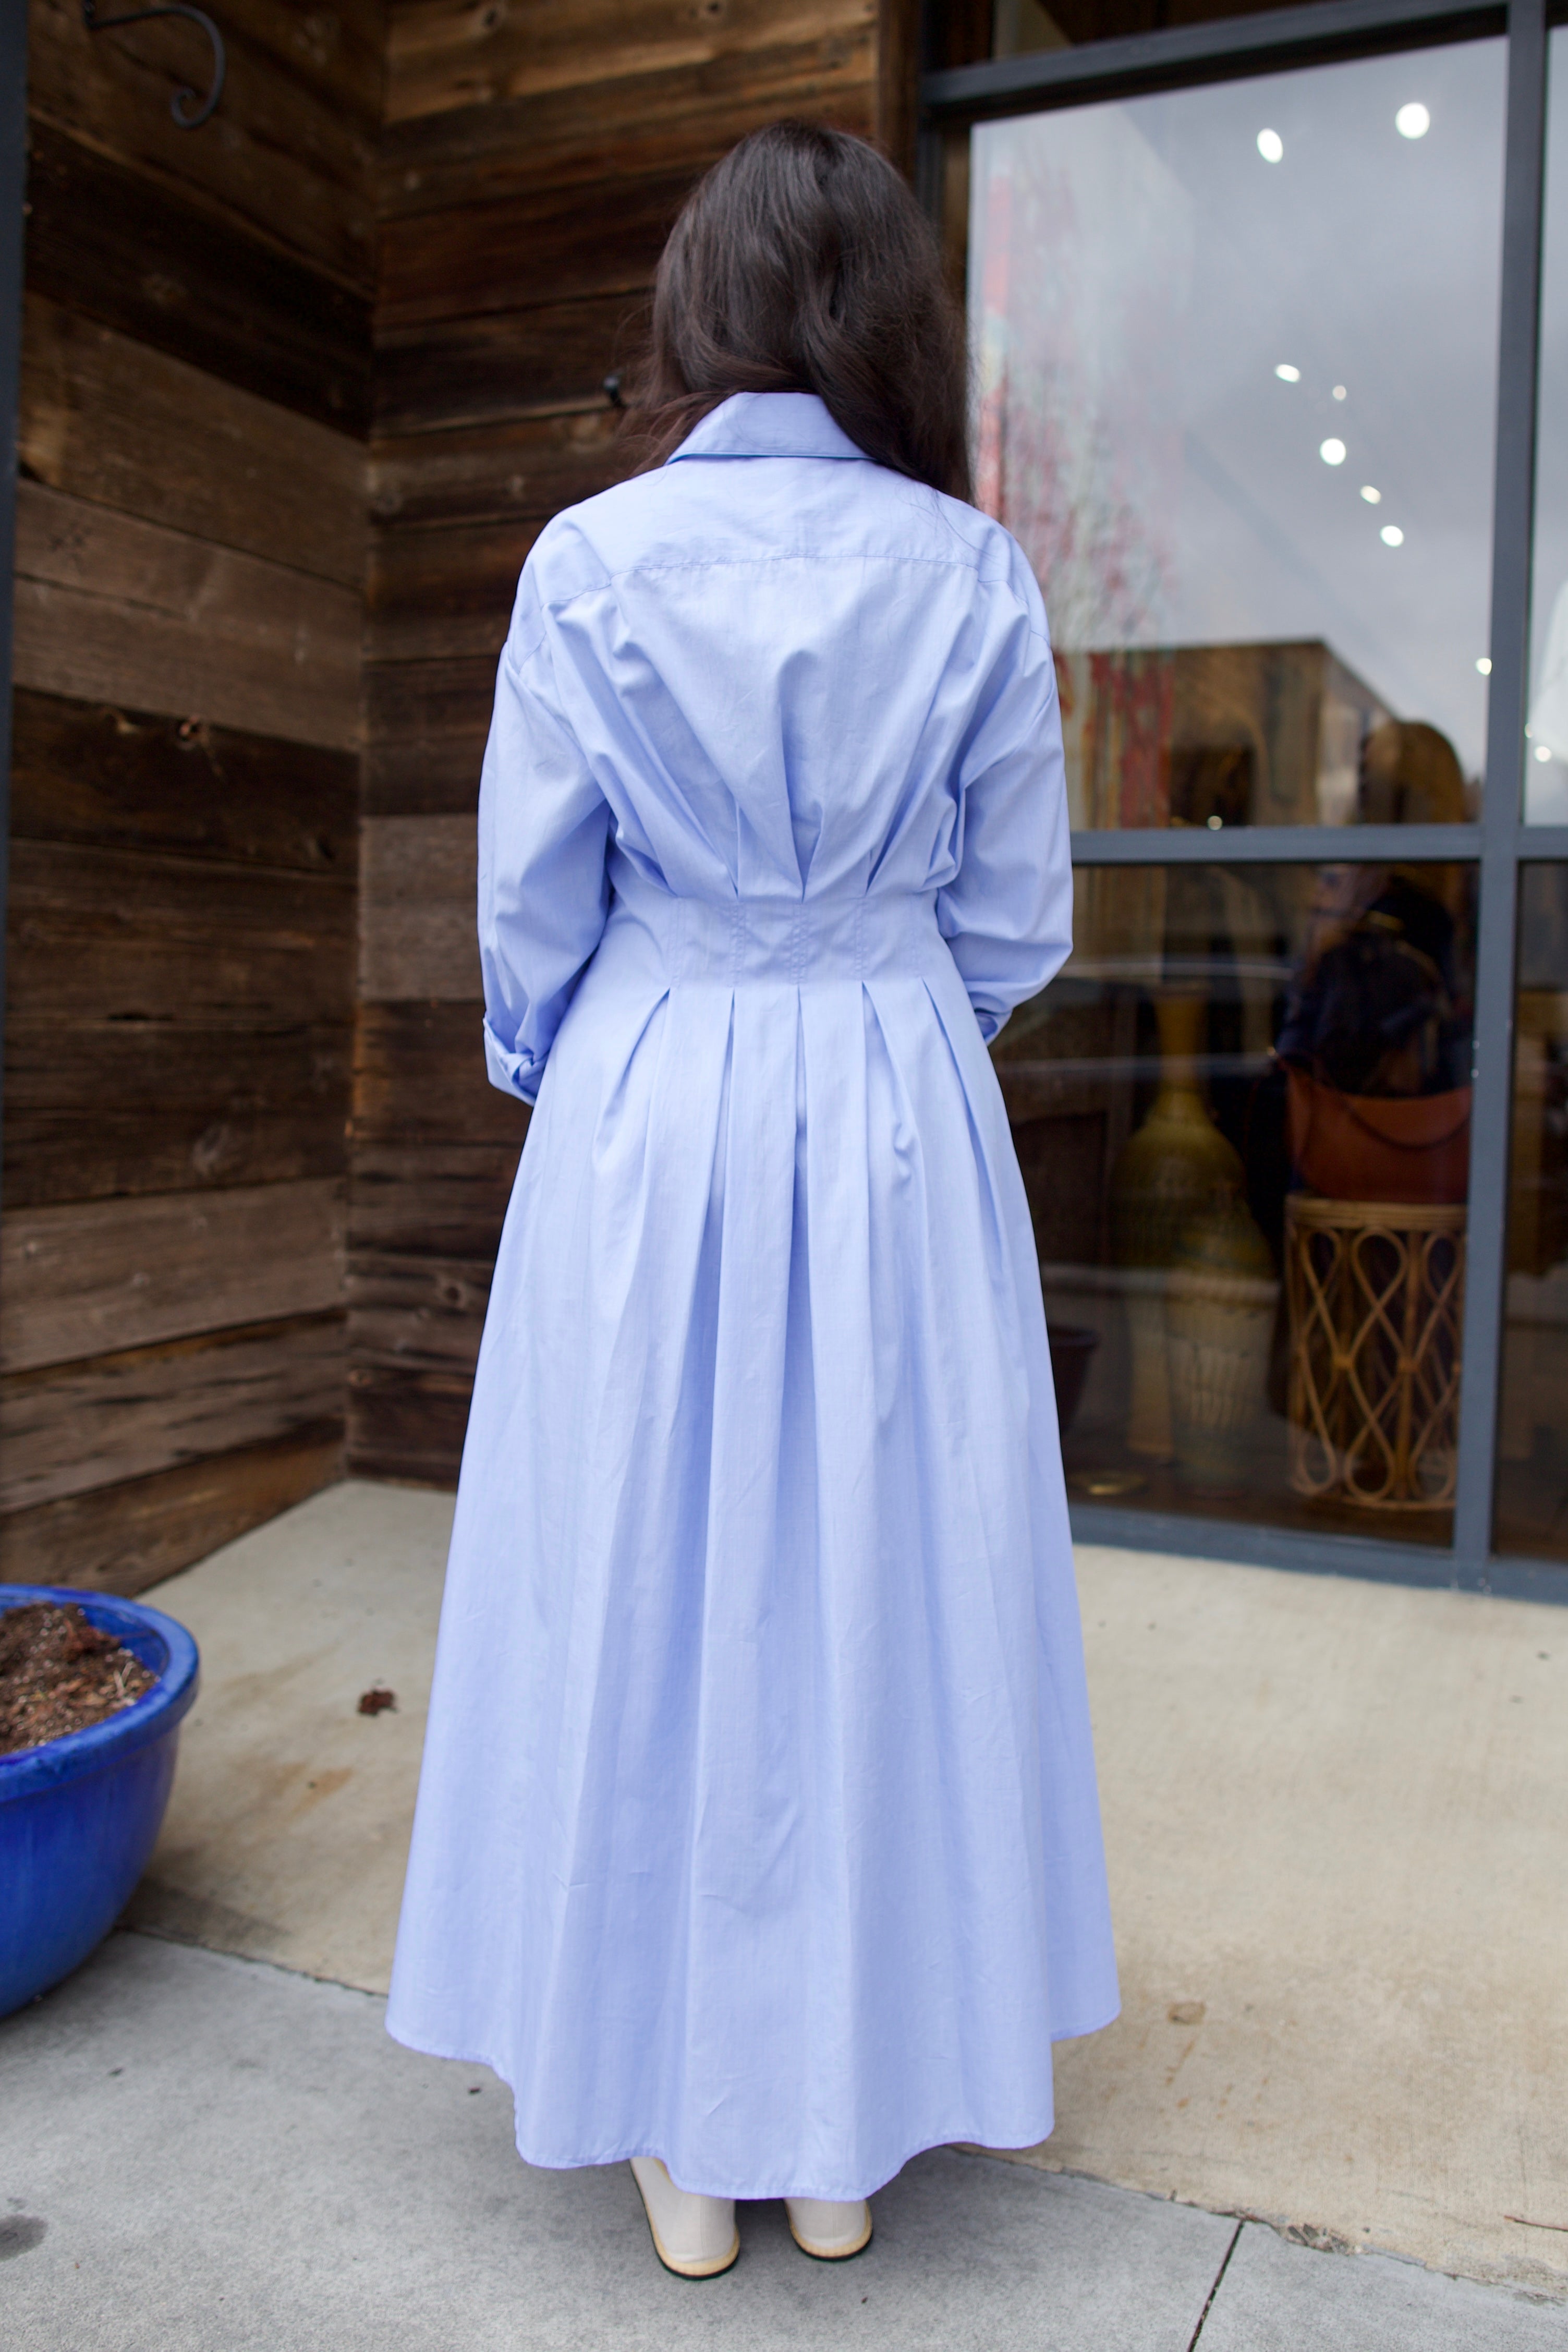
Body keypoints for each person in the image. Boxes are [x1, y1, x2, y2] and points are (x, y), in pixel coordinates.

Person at [386, 120, 1119, 2282]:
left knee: (641, 1571)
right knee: (877, 1583)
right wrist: (876, 1007)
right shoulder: (970, 571)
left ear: (695, 315)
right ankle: (835, 2137)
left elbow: (532, 922)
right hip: (889, 1093)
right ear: (884, 318)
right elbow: (1013, 919)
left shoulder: (587, 565)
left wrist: (590, 1061)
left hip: (653, 1102)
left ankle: (674, 2135)